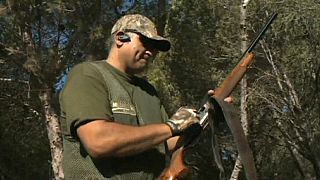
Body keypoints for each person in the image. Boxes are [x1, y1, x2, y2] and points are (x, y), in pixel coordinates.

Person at [59, 14, 201, 180]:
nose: (151, 51)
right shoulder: (89, 75)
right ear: (120, 38)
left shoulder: (149, 92)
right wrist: (171, 126)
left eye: (155, 47)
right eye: (146, 42)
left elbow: (167, 142)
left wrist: (202, 119)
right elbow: (98, 141)